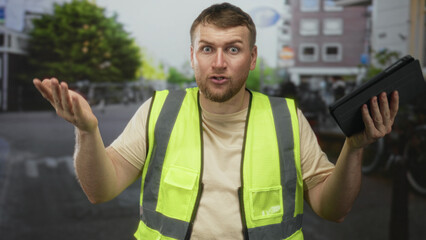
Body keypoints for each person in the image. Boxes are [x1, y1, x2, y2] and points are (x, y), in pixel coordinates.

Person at [33, 3, 399, 240]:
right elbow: (100, 191)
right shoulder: (158, 109)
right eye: (208, 48)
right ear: (193, 56)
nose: (219, 62)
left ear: (252, 57)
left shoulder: (286, 117)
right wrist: (87, 130)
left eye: (233, 49)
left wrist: (353, 148)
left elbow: (333, 210)